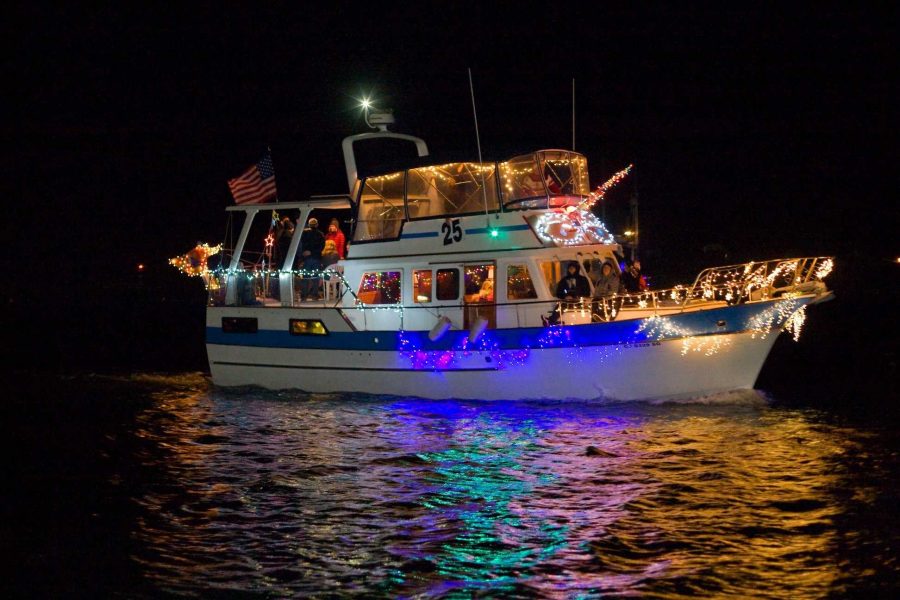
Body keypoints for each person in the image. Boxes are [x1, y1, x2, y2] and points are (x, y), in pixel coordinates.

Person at [298, 217, 325, 300]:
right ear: (317, 225)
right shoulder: (320, 234)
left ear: (309, 224)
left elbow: (300, 245)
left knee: (305, 277)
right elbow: (321, 246)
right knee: (315, 277)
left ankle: (304, 295)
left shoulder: (304, 233)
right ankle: (314, 294)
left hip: (306, 258)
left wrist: (302, 254)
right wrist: (313, 252)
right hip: (316, 257)